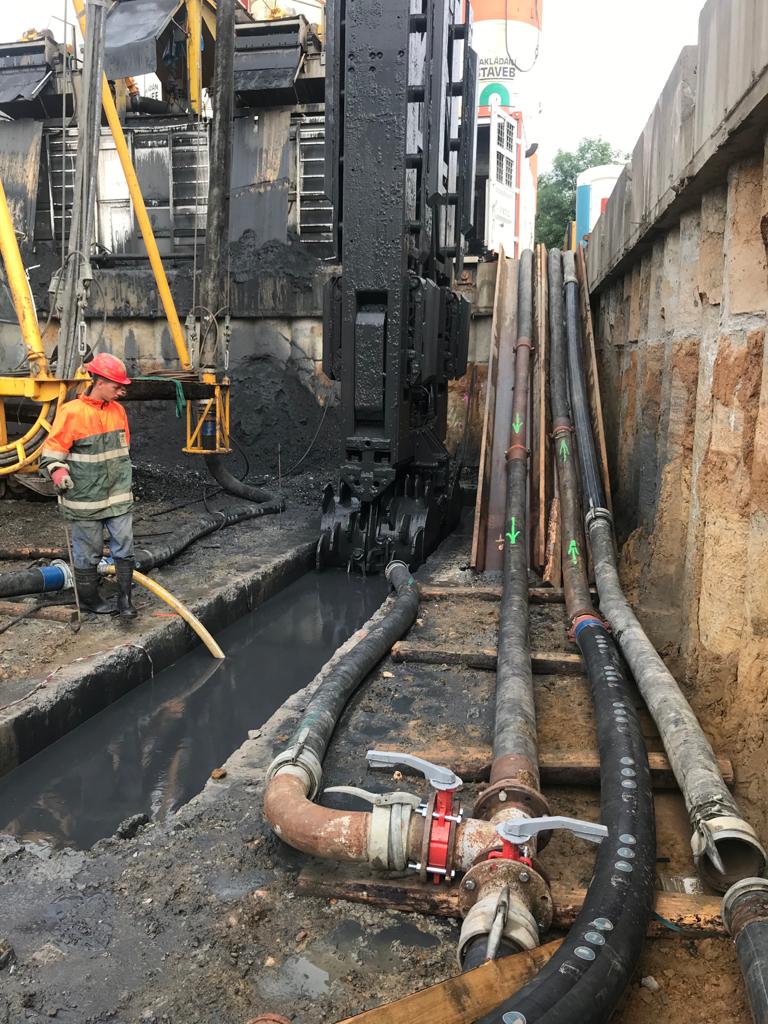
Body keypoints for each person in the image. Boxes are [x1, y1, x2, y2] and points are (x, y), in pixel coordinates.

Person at [40, 353, 137, 619]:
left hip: (118, 496)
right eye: (117, 386)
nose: (122, 391)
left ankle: (125, 599)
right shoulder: (71, 413)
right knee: (87, 552)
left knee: (125, 546)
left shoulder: (118, 411)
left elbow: (123, 451)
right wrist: (59, 473)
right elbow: (51, 455)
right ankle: (90, 600)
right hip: (85, 499)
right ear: (100, 382)